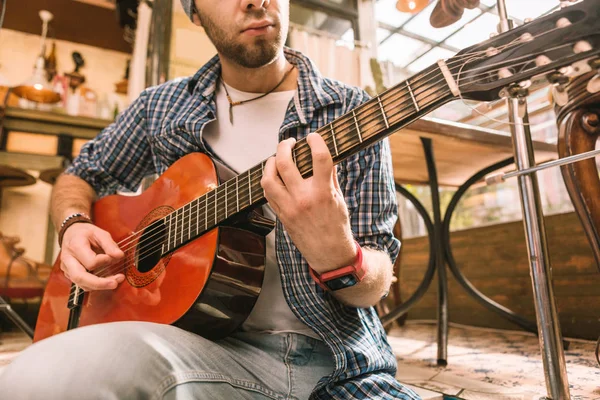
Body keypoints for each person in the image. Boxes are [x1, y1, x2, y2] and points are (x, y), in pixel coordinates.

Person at [0, 0, 419, 399]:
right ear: (194, 12)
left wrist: (340, 256)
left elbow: (376, 284)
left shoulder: (349, 112)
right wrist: (73, 225)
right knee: (30, 379)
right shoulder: (159, 108)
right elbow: (81, 175)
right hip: (191, 345)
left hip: (330, 362)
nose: (256, 1)